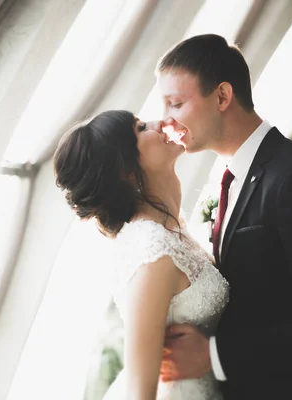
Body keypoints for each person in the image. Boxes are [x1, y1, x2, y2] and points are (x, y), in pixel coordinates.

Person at [158, 34, 292, 399]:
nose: (166, 120)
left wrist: (213, 354)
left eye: (176, 103)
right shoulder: (228, 180)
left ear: (223, 96)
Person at [53, 109, 229, 399]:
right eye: (141, 128)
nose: (160, 123)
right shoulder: (151, 252)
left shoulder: (170, 230)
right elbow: (139, 392)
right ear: (126, 169)